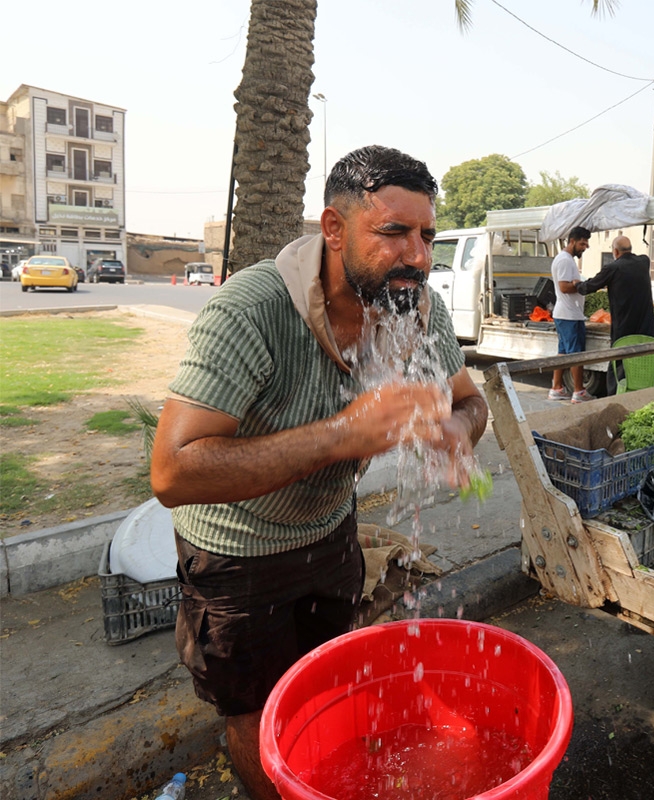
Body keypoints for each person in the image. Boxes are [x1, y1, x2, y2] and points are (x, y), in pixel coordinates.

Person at [150, 145, 488, 800]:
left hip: (332, 534)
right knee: (254, 709)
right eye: (393, 232)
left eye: (426, 236)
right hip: (235, 552)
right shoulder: (253, 309)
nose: (418, 255)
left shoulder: (413, 309)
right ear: (334, 229)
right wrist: (342, 436)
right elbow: (173, 472)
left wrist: (457, 430)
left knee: (331, 681)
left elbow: (470, 401)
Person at [575, 234, 654, 395]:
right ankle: (646, 395)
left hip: (624, 328)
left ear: (615, 251)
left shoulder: (613, 268)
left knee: (618, 363)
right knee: (647, 361)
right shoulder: (644, 262)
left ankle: (614, 397)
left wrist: (577, 284)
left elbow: (588, 287)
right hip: (646, 327)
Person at [548, 226, 594, 404]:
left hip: (565, 313)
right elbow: (564, 287)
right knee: (576, 355)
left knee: (563, 353)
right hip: (569, 315)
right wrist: (579, 284)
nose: (586, 247)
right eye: (583, 243)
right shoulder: (565, 261)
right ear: (572, 241)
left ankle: (557, 388)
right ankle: (579, 391)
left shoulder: (565, 259)